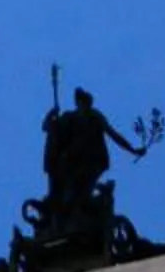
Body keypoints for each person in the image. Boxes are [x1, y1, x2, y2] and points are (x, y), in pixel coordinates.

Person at [40, 88, 145, 221]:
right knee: (66, 190)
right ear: (78, 102)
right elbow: (48, 128)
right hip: (73, 161)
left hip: (92, 162)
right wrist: (51, 114)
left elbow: (113, 134)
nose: (84, 105)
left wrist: (132, 149)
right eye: (82, 101)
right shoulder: (70, 117)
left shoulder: (95, 117)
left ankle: (83, 214)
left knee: (79, 192)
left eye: (86, 102)